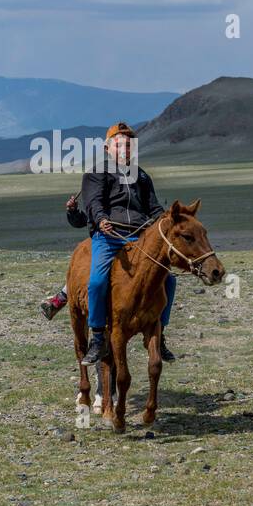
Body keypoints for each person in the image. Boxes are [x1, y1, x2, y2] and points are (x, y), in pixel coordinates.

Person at [78, 122, 176, 366]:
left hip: (140, 237)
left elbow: (153, 208)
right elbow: (94, 203)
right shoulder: (96, 173)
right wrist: (101, 220)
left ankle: (159, 333)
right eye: (120, 143)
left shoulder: (141, 175)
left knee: (169, 279)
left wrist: (166, 222)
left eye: (130, 144)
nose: (126, 147)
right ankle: (98, 336)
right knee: (98, 280)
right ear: (107, 147)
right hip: (110, 236)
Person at [39, 193, 88, 319]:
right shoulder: (100, 182)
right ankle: (61, 298)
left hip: (137, 231)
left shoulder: (140, 181)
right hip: (106, 234)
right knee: (84, 264)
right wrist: (74, 211)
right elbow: (87, 219)